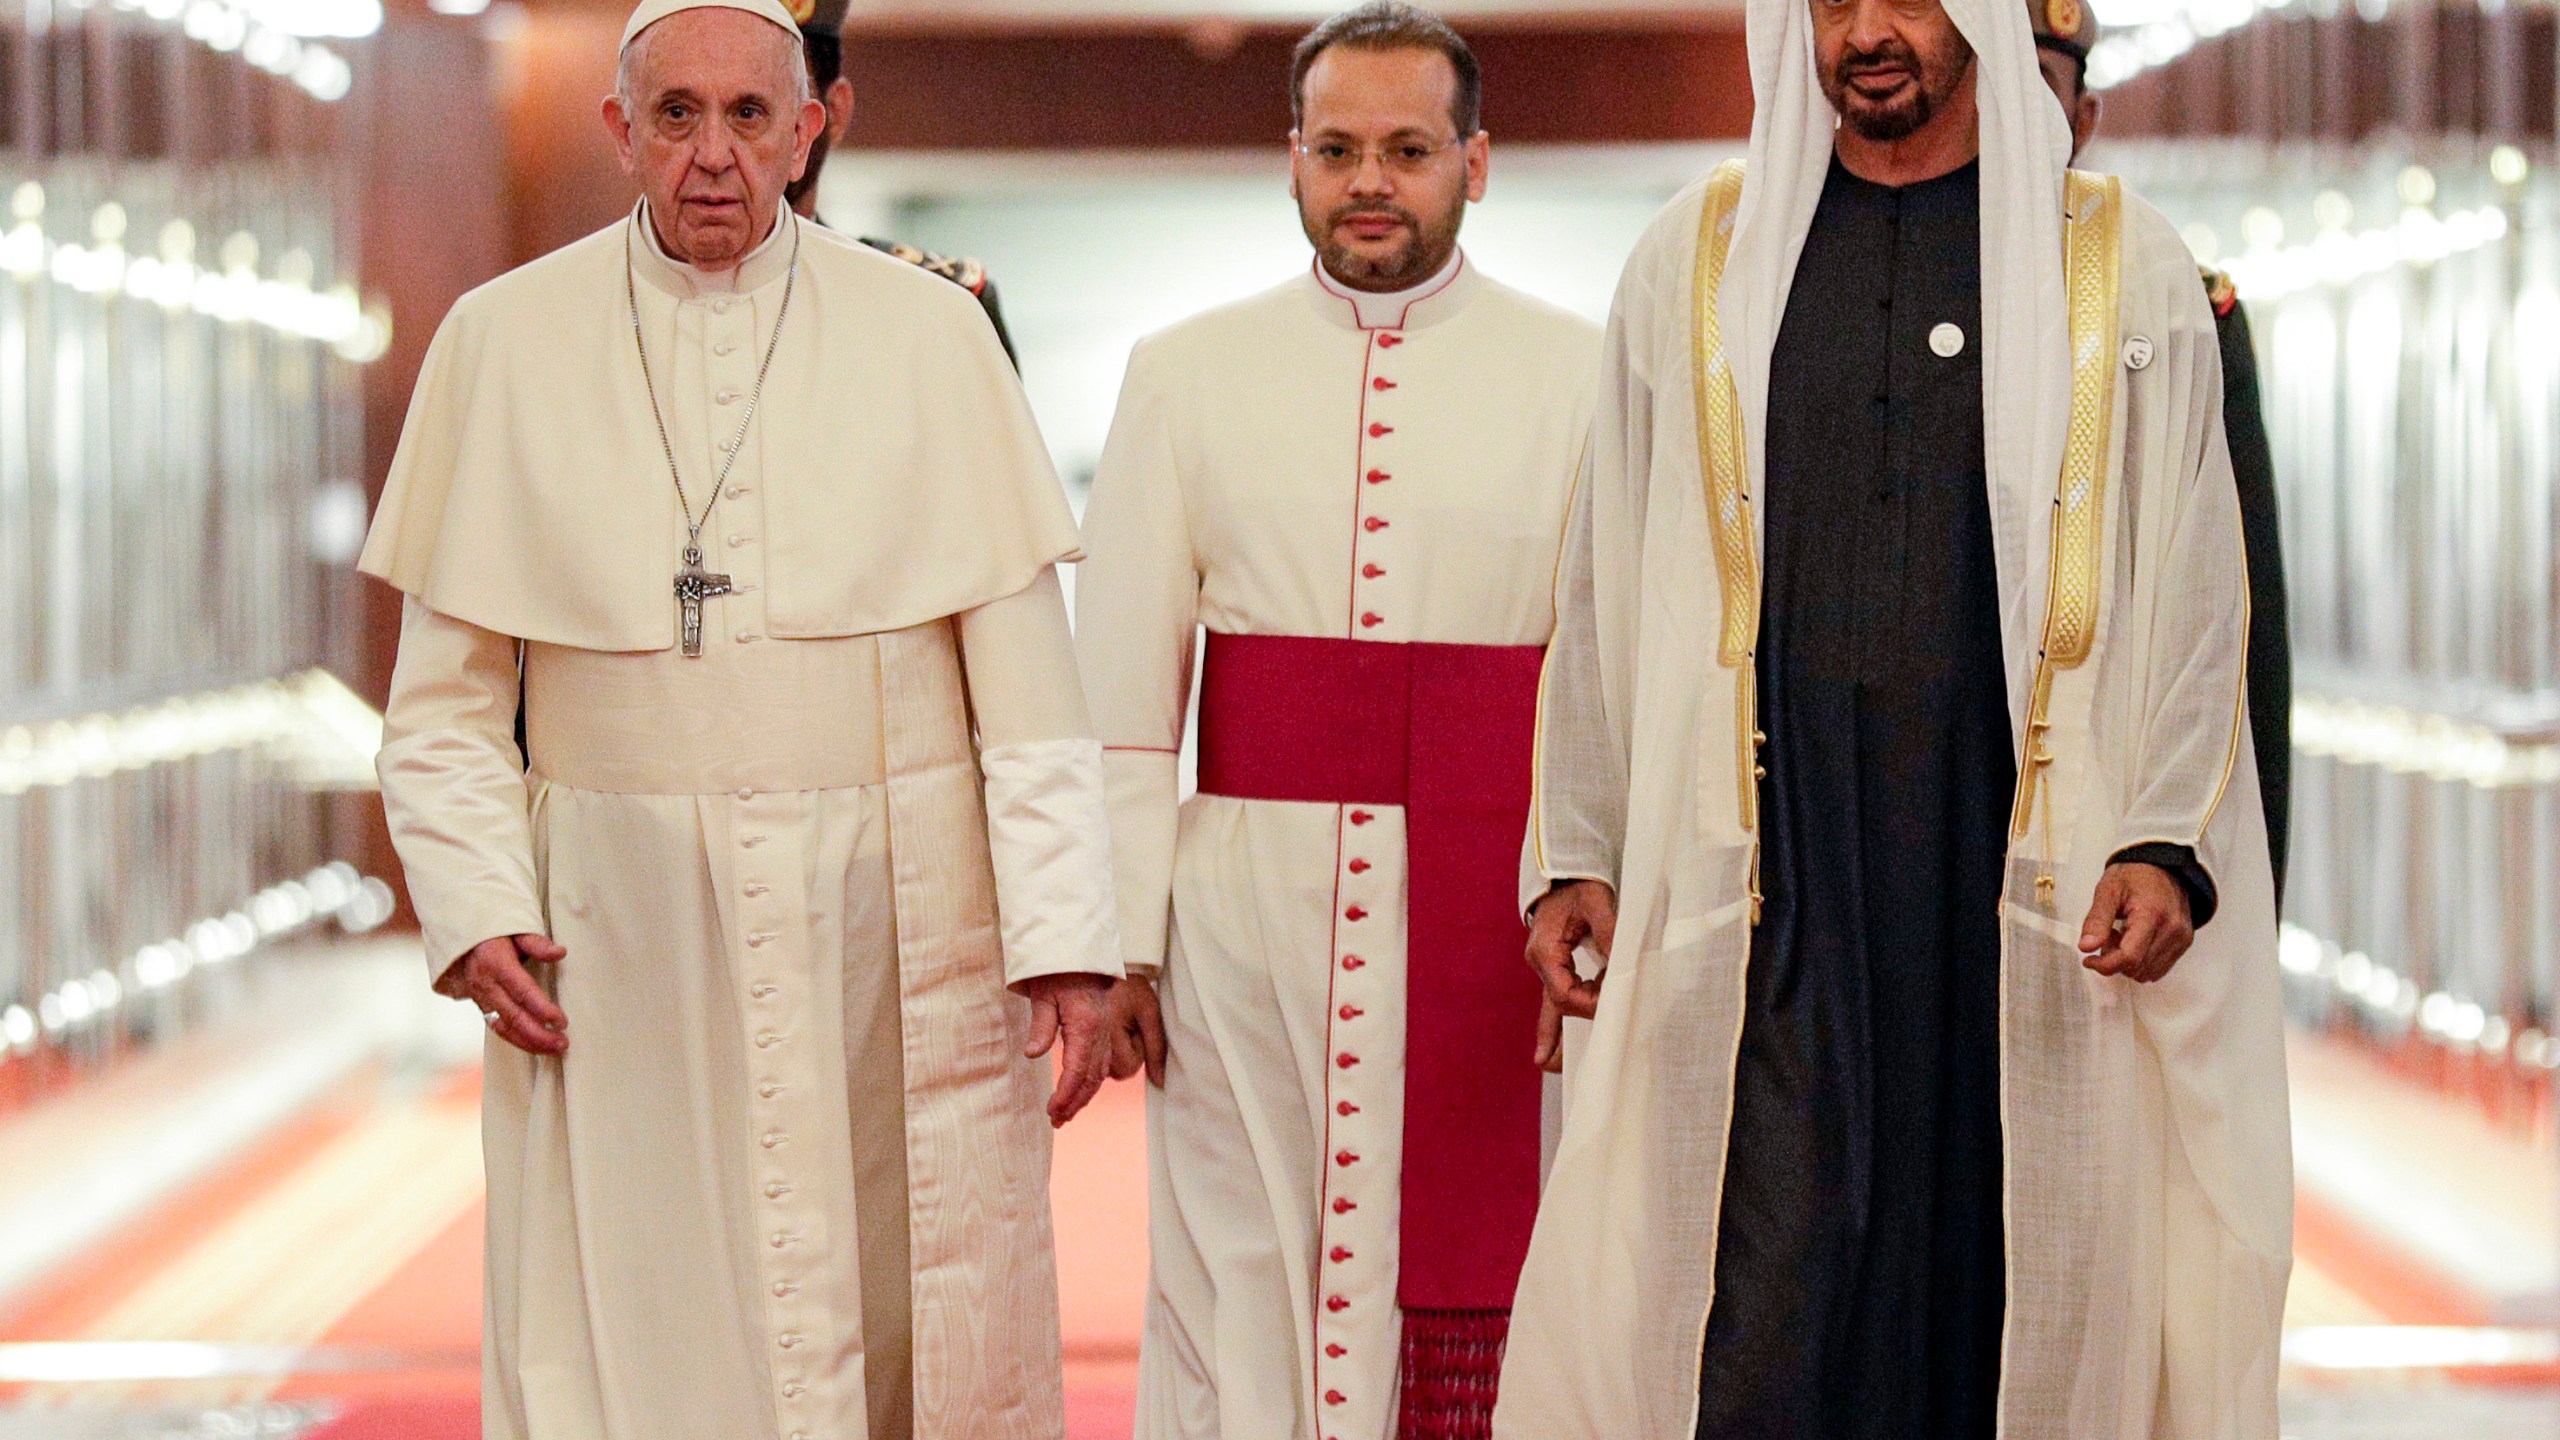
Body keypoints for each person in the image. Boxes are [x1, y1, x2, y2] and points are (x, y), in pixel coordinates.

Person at [1494, 0, 2291, 1432]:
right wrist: (1577, 841)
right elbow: (1607, 574)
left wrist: (2169, 842)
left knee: (1988, 1313)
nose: (1869, 30)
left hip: (2015, 895)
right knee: (1758, 1319)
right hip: (1767, 897)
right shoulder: (1697, 259)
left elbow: (2196, 590)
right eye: (1834, 0)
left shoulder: (2119, 261)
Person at [361, 1, 1122, 1434]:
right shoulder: (501, 340)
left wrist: (1068, 938)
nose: (713, 156)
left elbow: (1029, 696)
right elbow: (445, 704)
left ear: (809, 129)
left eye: (750, 117)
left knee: (910, 1318)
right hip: (621, 932)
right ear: (619, 129)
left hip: (896, 919)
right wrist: (472, 904)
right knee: (640, 1322)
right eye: (676, 116)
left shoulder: (932, 335)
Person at [1073, 5, 1600, 1437]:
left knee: (1506, 1264)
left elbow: (1608, 677)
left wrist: (1590, 876)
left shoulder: (1584, 375)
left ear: (1475, 164)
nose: (1373, 179)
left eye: (1410, 149)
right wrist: (1117, 939)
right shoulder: (1182, 369)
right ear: (1290, 161)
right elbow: (1120, 696)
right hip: (1243, 921)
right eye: (1340, 148)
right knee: (1237, 1272)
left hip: (1493, 915)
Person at [2031, 0, 2293, 896]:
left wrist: (2235, 883)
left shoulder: (2173, 304)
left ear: (2085, 118)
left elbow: (2242, 622)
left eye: (2040, 89)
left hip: (2116, 820)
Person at [783, 0, 1016, 364]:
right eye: (683, 110)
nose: (722, 147)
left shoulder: (938, 310)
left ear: (835, 113)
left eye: (778, 102)